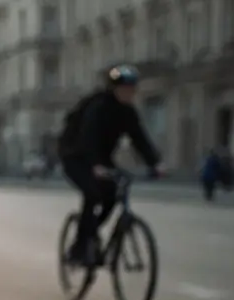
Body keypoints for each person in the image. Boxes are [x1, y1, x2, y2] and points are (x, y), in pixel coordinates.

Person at [57, 64, 164, 266]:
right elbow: (88, 137)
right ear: (113, 89)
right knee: (92, 193)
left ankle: (91, 231)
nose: (129, 93)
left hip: (101, 160)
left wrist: (155, 163)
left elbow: (139, 139)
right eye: (124, 89)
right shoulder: (98, 108)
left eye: (132, 89)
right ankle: (78, 248)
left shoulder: (128, 112)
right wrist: (96, 164)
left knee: (113, 195)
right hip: (75, 156)